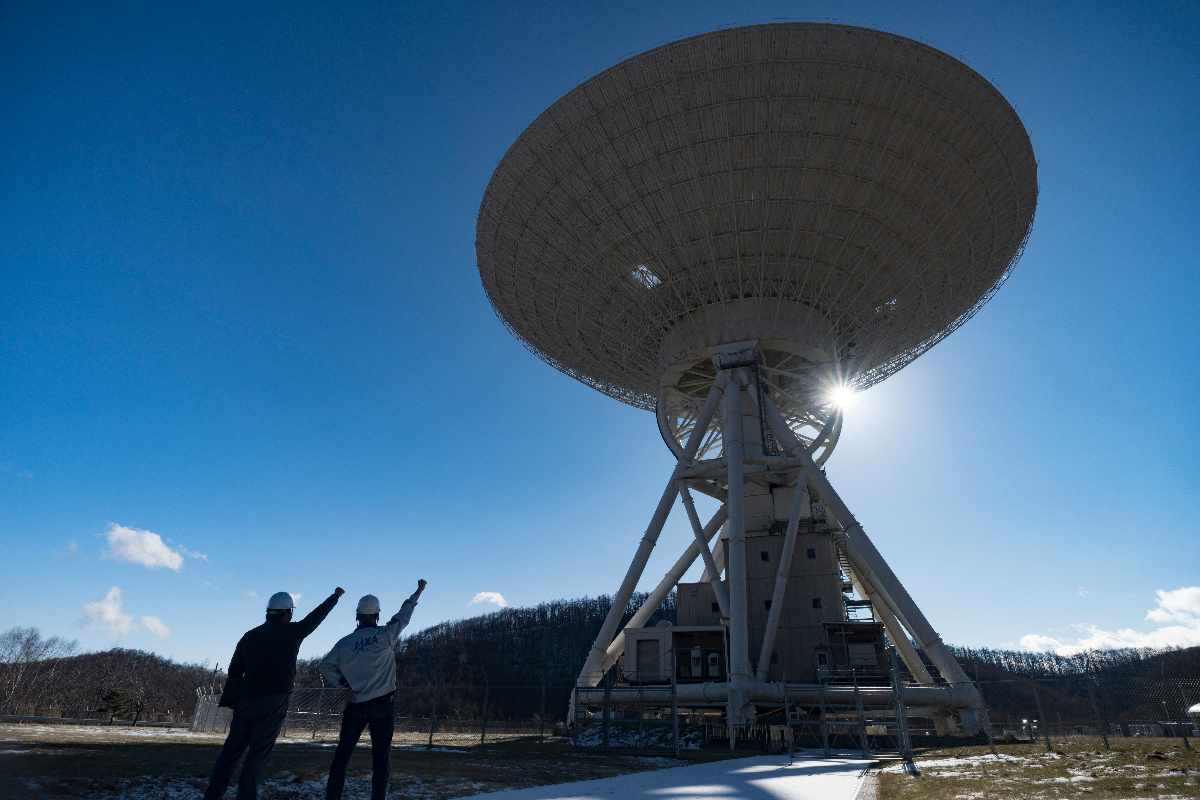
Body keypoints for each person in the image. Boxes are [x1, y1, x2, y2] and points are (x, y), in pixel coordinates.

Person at [202, 587, 344, 800]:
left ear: (268, 612)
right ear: (288, 613)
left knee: (230, 753)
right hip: (274, 702)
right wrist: (335, 597)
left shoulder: (249, 637)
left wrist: (232, 699)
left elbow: (234, 671)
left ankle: (212, 796)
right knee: (258, 755)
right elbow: (315, 618)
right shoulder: (292, 632)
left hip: (246, 701)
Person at [319, 579, 427, 800]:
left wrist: (344, 684)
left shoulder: (345, 643)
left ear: (357, 616)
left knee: (342, 757)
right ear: (377, 616)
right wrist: (418, 591)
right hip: (382, 705)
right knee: (380, 759)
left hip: (355, 705)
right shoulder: (385, 635)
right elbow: (404, 613)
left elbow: (325, 666)